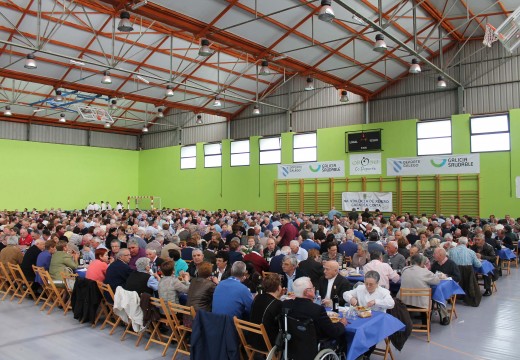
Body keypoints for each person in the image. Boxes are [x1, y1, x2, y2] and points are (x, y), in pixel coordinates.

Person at [282, 277, 346, 357]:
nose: (314, 289)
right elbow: (333, 331)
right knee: (342, 335)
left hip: (293, 344)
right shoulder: (317, 310)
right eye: (313, 288)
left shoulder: (286, 304)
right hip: (313, 346)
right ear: (307, 292)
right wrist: (342, 324)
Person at [399, 254, 440, 324]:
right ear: (421, 263)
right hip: (421, 304)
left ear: (411, 261)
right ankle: (425, 325)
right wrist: (426, 269)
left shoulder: (404, 270)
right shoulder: (425, 272)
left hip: (405, 301)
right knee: (430, 300)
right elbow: (437, 281)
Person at [249, 273, 284, 350]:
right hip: (265, 343)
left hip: (252, 338)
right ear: (278, 288)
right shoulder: (277, 304)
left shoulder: (258, 297)